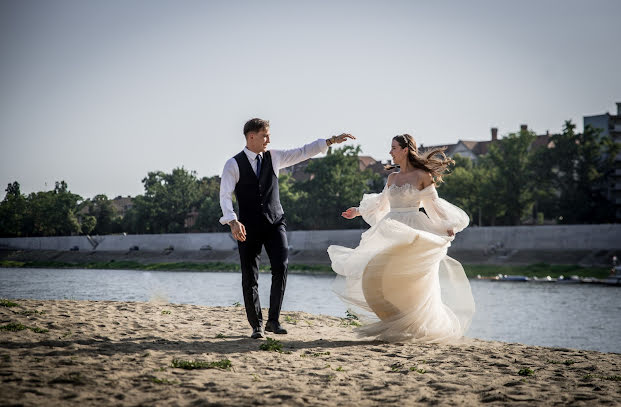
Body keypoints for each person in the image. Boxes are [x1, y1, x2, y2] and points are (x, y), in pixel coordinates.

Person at [328, 134, 475, 343]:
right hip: (391, 229)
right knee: (373, 275)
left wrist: (446, 225)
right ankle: (396, 320)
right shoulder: (392, 178)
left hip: (413, 231)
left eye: (393, 148)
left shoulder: (422, 175)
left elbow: (433, 205)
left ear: (405, 150)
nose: (390, 152)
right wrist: (357, 210)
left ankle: (414, 324)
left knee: (411, 281)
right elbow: (380, 204)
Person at [220, 118, 354, 339]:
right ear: (251, 136)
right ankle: (257, 326)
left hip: (275, 222)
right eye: (265, 135)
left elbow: (303, 152)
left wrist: (330, 141)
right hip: (248, 227)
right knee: (249, 276)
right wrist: (232, 220)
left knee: (281, 266)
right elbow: (225, 195)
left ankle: (273, 320)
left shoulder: (274, 157)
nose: (269, 140)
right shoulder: (233, 164)